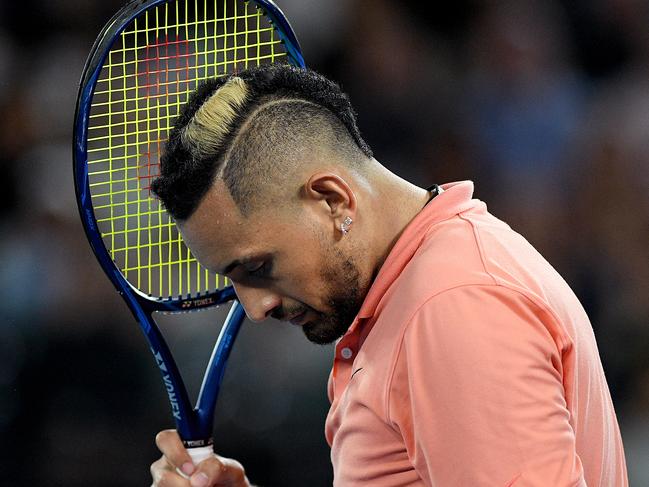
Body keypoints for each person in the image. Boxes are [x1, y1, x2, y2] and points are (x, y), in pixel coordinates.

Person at [148, 64, 627, 486]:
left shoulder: (451, 309)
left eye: (257, 267)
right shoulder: (427, 286)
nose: (254, 308)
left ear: (333, 200)